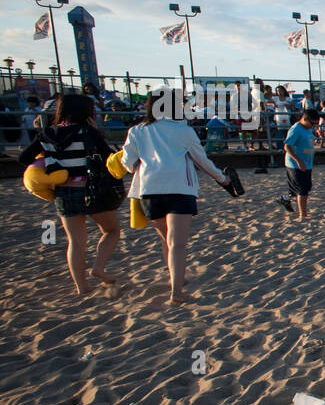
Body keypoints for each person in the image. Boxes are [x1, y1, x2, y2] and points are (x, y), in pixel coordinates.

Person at [120, 88, 233, 304]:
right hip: (180, 189)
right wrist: (222, 179)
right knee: (178, 243)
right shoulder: (184, 132)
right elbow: (202, 161)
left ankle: (175, 278)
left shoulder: (137, 131)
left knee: (167, 239)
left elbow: (127, 163)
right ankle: (177, 290)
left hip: (149, 189)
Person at [18, 93, 123, 295]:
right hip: (90, 190)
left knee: (75, 241)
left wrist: (46, 162)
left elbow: (24, 157)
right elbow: (109, 157)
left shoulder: (46, 134)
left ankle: (81, 287)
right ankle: (98, 267)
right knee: (111, 231)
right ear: (86, 112)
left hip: (63, 193)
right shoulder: (87, 132)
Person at [283, 107, 319, 219]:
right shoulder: (295, 129)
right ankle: (303, 214)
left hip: (307, 163)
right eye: (312, 123)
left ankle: (284, 199)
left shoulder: (307, 128)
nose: (313, 126)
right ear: (305, 119)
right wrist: (298, 161)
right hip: (295, 164)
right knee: (302, 190)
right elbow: (287, 146)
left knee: (303, 188)